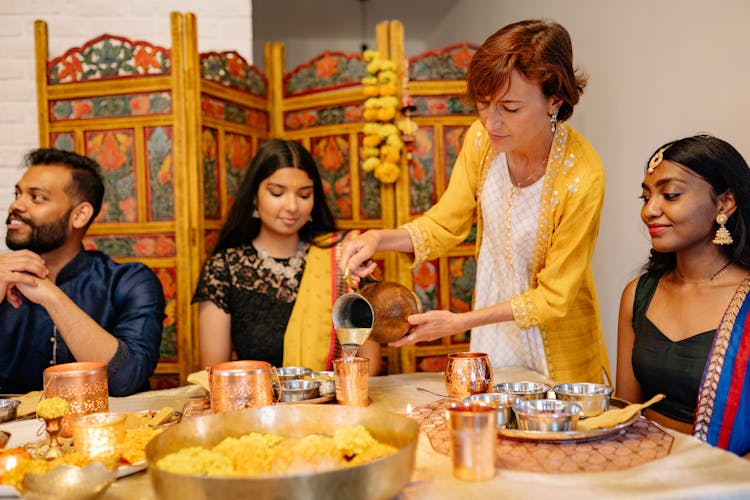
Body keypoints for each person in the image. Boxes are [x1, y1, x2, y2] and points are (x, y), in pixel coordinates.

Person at [340, 19, 609, 383]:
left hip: (558, 348)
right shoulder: (482, 143)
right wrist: (376, 238)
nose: (491, 121)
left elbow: (554, 298)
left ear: (554, 100)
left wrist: (460, 322)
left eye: (510, 108)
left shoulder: (581, 175)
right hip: (495, 334)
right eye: (483, 104)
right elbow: (445, 224)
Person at [193, 139, 381, 375]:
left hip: (336, 407)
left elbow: (369, 362)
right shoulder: (225, 269)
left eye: (303, 195)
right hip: (256, 408)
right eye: (277, 193)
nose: (292, 206)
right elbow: (215, 374)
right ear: (254, 195)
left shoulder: (344, 259)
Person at [616, 135, 750, 457]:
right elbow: (624, 416)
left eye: (670, 195)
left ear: (724, 203)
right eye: (645, 196)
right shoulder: (638, 294)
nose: (650, 210)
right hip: (643, 472)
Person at [0, 148, 165, 396]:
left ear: (79, 215)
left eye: (36, 197)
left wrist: (51, 296)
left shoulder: (129, 281)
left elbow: (126, 379)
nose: (16, 205)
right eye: (18, 194)